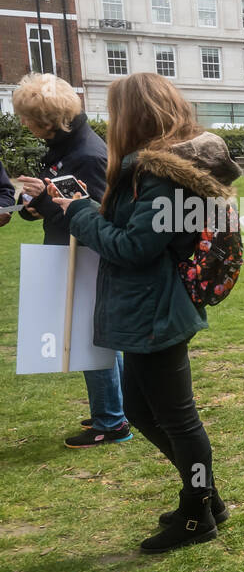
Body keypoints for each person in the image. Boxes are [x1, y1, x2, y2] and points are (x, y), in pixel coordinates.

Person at [51, 72, 240, 551]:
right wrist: (80, 204)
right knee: (139, 408)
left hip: (157, 311)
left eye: (115, 112)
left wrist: (80, 213)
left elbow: (135, 247)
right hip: (144, 309)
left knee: (178, 419)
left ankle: (199, 513)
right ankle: (205, 499)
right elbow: (134, 229)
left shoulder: (161, 174)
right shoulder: (151, 170)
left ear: (132, 116)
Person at [9, 73, 128, 448]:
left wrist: (44, 200)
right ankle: (118, 411)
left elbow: (94, 215)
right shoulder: (65, 149)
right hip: (71, 250)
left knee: (86, 337)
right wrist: (36, 202)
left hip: (86, 255)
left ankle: (112, 421)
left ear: (48, 119)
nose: (23, 124)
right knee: (95, 336)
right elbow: (56, 204)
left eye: (27, 117)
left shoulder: (87, 155)